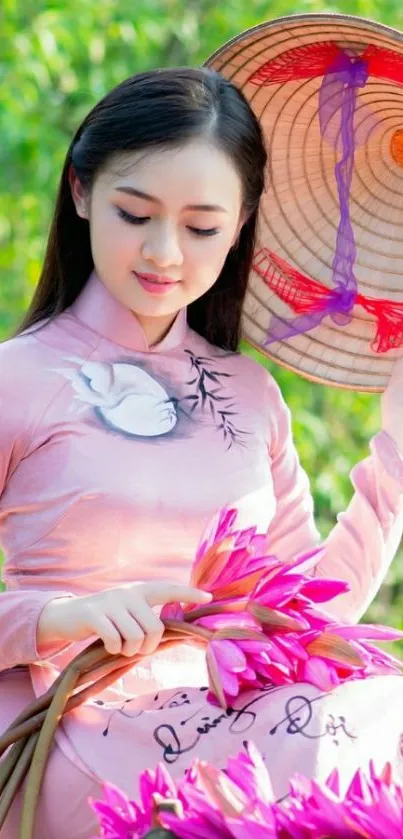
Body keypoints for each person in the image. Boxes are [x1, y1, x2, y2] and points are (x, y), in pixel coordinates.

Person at [1, 64, 403, 839]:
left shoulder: (249, 394)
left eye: (201, 226)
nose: (164, 253)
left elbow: (304, 617)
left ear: (243, 220)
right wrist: (64, 615)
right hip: (80, 723)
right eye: (134, 212)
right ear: (81, 191)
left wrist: (394, 453)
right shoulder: (19, 378)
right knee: (322, 744)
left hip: (240, 713)